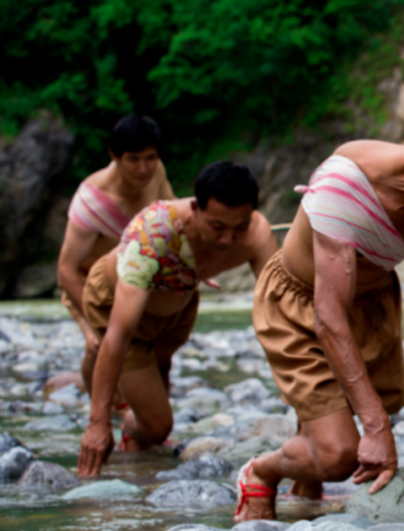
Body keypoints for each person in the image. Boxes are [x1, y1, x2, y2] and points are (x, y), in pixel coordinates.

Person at [233, 87, 404, 522]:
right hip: (303, 302)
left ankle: (308, 480)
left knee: (376, 410)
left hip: (374, 300)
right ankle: (260, 471)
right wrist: (375, 427)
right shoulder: (347, 183)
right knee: (342, 453)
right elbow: (328, 317)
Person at [76, 161, 279, 477]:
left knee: (159, 373)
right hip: (117, 302)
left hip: (178, 302)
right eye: (217, 227)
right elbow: (118, 334)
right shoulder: (153, 235)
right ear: (196, 208)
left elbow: (279, 308)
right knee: (158, 425)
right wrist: (97, 424)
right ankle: (133, 428)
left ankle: (143, 451)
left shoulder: (256, 234)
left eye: (238, 227)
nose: (228, 239)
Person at [57, 114, 175, 392]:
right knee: (101, 345)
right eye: (133, 159)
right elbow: (66, 269)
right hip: (89, 285)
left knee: (154, 347)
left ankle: (151, 409)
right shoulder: (92, 200)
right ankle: (98, 406)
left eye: (150, 158)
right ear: (115, 156)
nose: (143, 169)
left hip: (134, 277)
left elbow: (171, 219)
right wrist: (98, 317)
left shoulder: (157, 172)